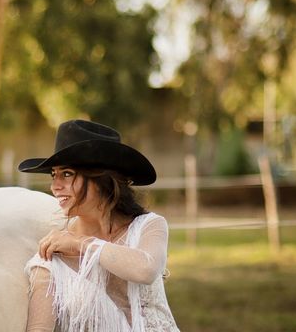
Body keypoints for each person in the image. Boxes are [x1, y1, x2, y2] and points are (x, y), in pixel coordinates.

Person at [18, 119, 180, 332]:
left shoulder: (148, 226)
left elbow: (146, 270)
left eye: (67, 174)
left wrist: (80, 244)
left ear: (101, 179)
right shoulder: (52, 257)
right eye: (53, 175)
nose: (55, 186)